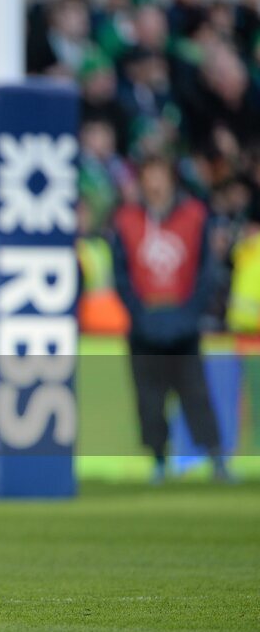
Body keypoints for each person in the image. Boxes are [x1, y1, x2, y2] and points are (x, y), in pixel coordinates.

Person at [111, 156, 232, 484]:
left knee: (196, 393)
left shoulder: (193, 215)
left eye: (160, 175)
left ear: (171, 178)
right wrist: (140, 315)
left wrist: (189, 314)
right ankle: (158, 461)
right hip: (145, 325)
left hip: (184, 324)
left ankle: (217, 458)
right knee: (149, 399)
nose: (155, 183)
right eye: (149, 175)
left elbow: (206, 272)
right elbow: (120, 276)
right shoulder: (126, 219)